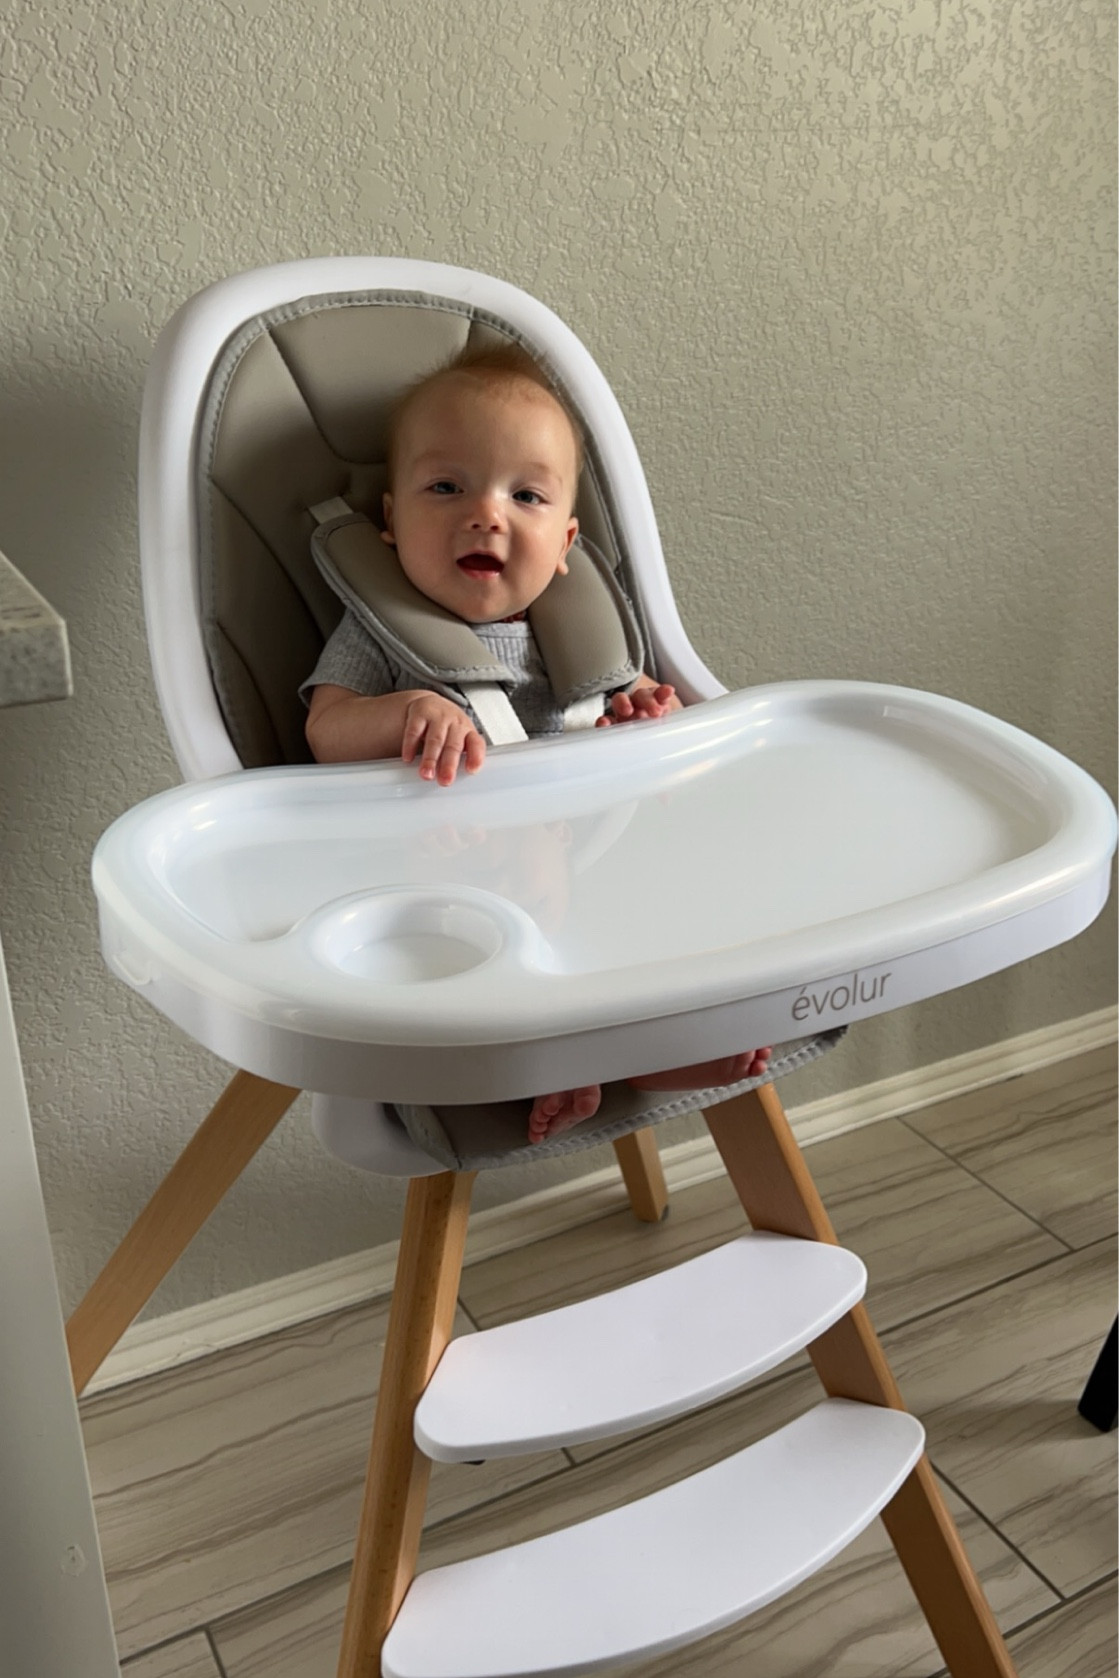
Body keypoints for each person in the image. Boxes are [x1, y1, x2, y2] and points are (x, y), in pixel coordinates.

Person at [303, 343, 770, 1141]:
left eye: (526, 495)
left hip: (586, 862)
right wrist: (405, 711)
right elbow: (323, 728)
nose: (486, 514)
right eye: (445, 487)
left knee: (642, 950)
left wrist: (639, 717)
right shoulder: (382, 634)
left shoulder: (580, 642)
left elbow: (620, 724)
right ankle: (554, 1063)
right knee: (503, 974)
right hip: (452, 866)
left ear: (565, 546)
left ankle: (627, 1059)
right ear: (389, 520)